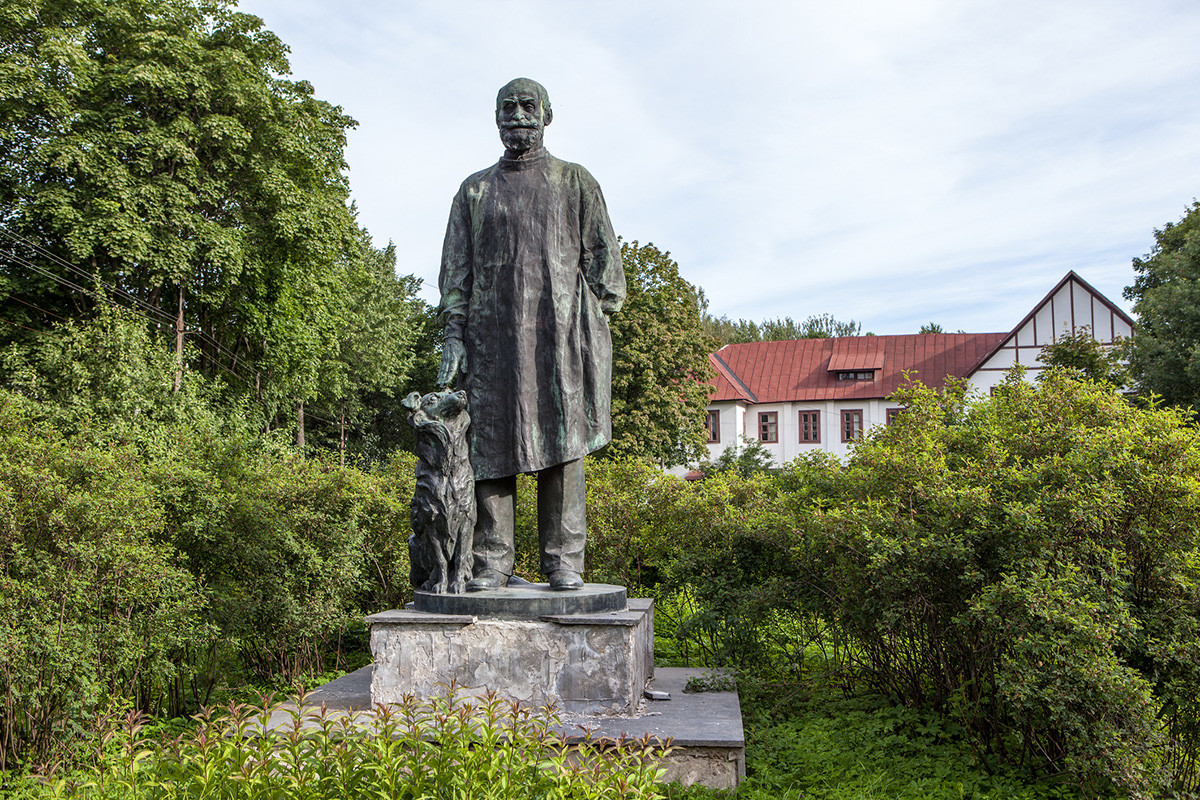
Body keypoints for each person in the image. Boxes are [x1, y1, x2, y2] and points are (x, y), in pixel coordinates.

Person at [436, 78, 625, 592]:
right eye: (507, 107)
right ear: (496, 117)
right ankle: (492, 561)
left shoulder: (574, 182)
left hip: (561, 337)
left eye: (527, 106)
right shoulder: (474, 190)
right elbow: (457, 273)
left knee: (563, 445)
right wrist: (454, 336)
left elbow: (605, 263)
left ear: (547, 115)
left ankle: (564, 561)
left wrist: (591, 324)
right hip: (491, 342)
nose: (517, 114)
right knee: (489, 448)